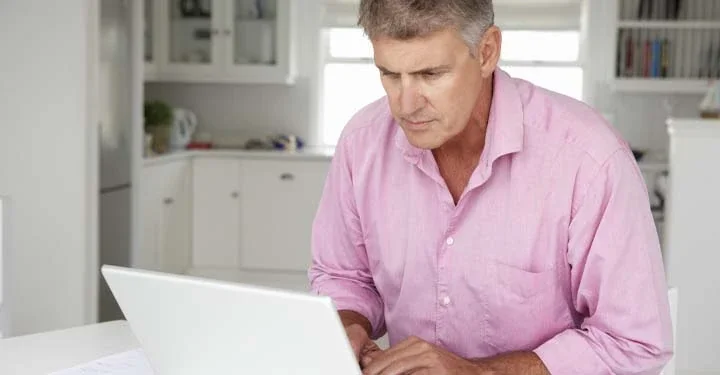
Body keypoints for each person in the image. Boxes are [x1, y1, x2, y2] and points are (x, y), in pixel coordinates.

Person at [308, 0, 674, 374]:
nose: (405, 105)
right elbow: (344, 276)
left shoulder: (589, 161)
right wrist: (347, 327)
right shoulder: (361, 144)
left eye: (431, 74)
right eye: (389, 74)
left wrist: (478, 372)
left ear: (486, 52)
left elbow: (634, 344)